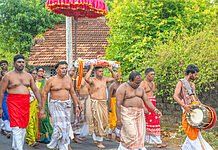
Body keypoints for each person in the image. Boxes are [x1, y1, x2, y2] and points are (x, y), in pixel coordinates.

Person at [0, 54, 42, 150]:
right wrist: (0, 108)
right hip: (13, 102)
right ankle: (19, 148)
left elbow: (35, 90)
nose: (21, 64)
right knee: (16, 127)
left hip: (25, 102)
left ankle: (15, 146)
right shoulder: (7, 76)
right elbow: (1, 92)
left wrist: (40, 103)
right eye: (19, 62)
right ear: (14, 63)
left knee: (23, 127)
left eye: (23, 62)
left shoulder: (29, 76)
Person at [116, 71, 162, 150]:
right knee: (132, 134)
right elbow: (118, 105)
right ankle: (123, 148)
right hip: (127, 113)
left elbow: (147, 100)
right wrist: (119, 120)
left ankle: (137, 148)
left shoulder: (140, 89)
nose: (138, 84)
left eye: (139, 82)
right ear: (130, 80)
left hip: (139, 113)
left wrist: (155, 110)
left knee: (140, 134)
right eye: (136, 82)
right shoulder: (123, 87)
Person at [40, 61, 80, 150]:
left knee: (66, 127)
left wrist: (76, 106)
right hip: (55, 105)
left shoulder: (69, 79)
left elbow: (73, 93)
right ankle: (52, 145)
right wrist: (42, 109)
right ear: (57, 70)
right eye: (62, 68)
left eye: (66, 68)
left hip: (67, 105)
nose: (64, 70)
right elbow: (44, 94)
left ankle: (63, 147)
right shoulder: (51, 80)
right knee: (59, 127)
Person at [173, 64, 213, 150]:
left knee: (194, 129)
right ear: (190, 73)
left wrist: (202, 106)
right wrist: (184, 106)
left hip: (194, 109)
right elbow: (175, 96)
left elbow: (194, 97)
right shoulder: (181, 83)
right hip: (186, 109)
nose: (196, 76)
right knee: (192, 129)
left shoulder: (192, 85)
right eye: (195, 74)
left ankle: (185, 147)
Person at [85, 64, 116, 148]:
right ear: (95, 72)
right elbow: (86, 79)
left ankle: (96, 136)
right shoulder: (92, 80)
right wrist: (91, 68)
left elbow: (115, 78)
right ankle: (99, 141)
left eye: (102, 71)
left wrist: (111, 69)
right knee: (98, 121)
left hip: (103, 103)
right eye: (99, 71)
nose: (101, 73)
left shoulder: (105, 79)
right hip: (95, 102)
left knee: (105, 122)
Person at [140, 68, 167, 148]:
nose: (153, 76)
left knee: (155, 121)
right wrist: (144, 107)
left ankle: (155, 140)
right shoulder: (143, 83)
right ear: (146, 75)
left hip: (153, 103)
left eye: (153, 74)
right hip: (146, 104)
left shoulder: (153, 83)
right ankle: (153, 141)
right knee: (147, 122)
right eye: (151, 74)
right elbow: (141, 96)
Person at [26, 69, 40, 147]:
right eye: (33, 73)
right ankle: (31, 140)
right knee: (29, 121)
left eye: (35, 73)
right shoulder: (26, 84)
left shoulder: (37, 84)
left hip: (35, 104)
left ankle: (33, 138)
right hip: (28, 104)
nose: (35, 75)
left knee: (35, 121)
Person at [107, 76, 122, 142]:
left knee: (120, 119)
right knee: (114, 119)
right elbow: (109, 97)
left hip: (120, 103)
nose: (119, 77)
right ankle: (110, 133)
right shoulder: (112, 85)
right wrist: (109, 106)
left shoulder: (122, 85)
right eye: (118, 76)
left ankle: (118, 136)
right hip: (113, 103)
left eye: (120, 76)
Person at [0, 69, 12, 138]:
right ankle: (8, 129)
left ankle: (4, 128)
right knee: (6, 113)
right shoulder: (1, 82)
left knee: (9, 113)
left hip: (10, 99)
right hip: (3, 99)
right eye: (4, 74)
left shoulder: (10, 82)